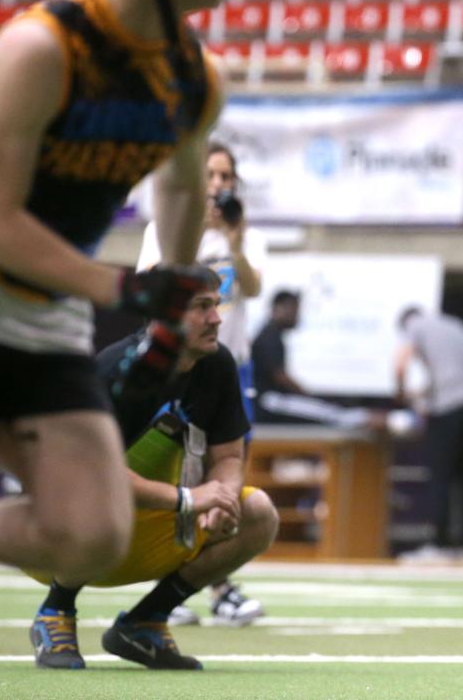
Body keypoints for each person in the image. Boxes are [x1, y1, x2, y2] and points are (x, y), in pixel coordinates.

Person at [0, 0, 236, 589]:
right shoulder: (39, 47)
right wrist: (119, 288)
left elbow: (180, 189)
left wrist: (173, 294)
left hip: (40, 314)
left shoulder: (194, 73)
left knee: (90, 535)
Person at [26, 269, 279, 670]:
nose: (216, 318)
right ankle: (55, 611)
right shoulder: (116, 371)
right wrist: (190, 499)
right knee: (93, 494)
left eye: (217, 305)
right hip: (59, 536)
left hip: (145, 529)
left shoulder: (217, 365)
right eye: (202, 307)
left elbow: (229, 457)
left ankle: (146, 621)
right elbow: (93, 474)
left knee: (258, 513)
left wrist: (222, 496)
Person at [138, 141, 268, 627]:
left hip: (232, 368)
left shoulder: (245, 234)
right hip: (177, 367)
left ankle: (218, 585)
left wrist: (233, 240)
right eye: (210, 176)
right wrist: (191, 234)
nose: (217, 186)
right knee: (174, 475)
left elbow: (252, 286)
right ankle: (165, 585)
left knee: (229, 471)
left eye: (225, 177)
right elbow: (153, 286)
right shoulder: (167, 228)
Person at [393, 306, 463, 561]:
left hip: (452, 407)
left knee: (441, 475)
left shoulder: (415, 326)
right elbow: (453, 370)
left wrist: (401, 395)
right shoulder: (455, 323)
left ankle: (438, 543)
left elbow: (401, 363)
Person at [252, 290, 386, 429]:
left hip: (275, 400)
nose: (297, 315)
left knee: (325, 409)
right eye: (294, 309)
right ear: (278, 308)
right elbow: (280, 376)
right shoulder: (269, 337)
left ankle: (366, 417)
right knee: (328, 414)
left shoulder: (272, 335)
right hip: (270, 402)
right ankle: (366, 418)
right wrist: (307, 395)